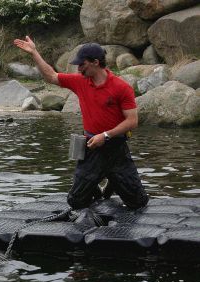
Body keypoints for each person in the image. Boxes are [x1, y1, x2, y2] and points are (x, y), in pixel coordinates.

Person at [14, 36, 149, 210]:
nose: (78, 68)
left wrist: (106, 135)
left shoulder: (121, 88)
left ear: (95, 62)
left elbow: (132, 121)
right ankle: (102, 183)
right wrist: (34, 52)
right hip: (92, 147)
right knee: (76, 201)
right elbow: (51, 76)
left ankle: (114, 180)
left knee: (138, 203)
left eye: (82, 64)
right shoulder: (80, 81)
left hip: (116, 149)